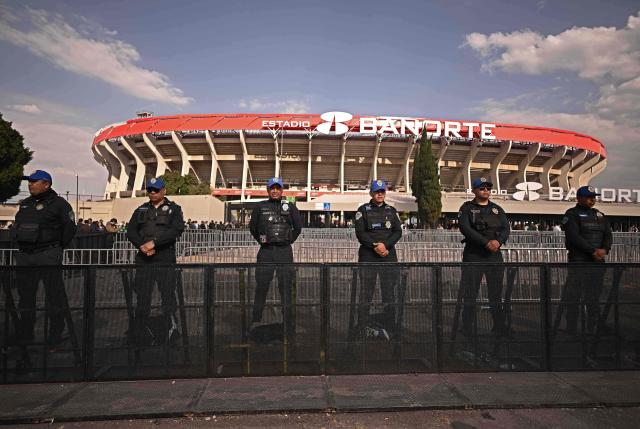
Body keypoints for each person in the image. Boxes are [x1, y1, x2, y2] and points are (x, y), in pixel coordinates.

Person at [13, 170, 76, 348]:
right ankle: (25, 335)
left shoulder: (60, 205)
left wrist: (55, 247)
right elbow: (17, 226)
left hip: (48, 255)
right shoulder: (25, 204)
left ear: (46, 184)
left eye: (35, 181)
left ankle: (54, 336)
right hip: (26, 256)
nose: (30, 184)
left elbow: (69, 229)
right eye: (29, 181)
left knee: (54, 298)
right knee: (25, 298)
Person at [126, 177, 185, 345]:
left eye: (156, 190)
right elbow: (131, 231)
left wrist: (155, 243)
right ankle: (141, 331)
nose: (152, 193)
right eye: (150, 190)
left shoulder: (174, 209)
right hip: (144, 259)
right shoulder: (141, 209)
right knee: (143, 296)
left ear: (164, 191)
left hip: (164, 257)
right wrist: (142, 245)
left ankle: (171, 329)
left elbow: (176, 230)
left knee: (167, 294)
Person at [248, 177, 302, 339]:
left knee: (286, 289)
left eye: (278, 188)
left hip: (284, 252)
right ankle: (256, 320)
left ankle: (288, 324)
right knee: (261, 287)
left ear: (282, 190)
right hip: (266, 252)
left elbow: (298, 228)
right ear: (268, 190)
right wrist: (263, 240)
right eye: (272, 188)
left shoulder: (290, 207)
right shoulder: (260, 207)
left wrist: (287, 241)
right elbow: (253, 227)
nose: (275, 191)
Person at [458, 177, 510, 337]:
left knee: (495, 293)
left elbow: (506, 228)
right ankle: (467, 327)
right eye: (481, 188)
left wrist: (498, 242)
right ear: (474, 190)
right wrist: (485, 242)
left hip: (494, 256)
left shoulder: (497, 209)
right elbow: (465, 228)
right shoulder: (466, 208)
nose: (485, 191)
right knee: (470, 293)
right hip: (474, 255)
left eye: (488, 188)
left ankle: (499, 326)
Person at [354, 179, 403, 340]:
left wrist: (385, 246)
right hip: (368, 256)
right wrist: (375, 245)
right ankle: (362, 325)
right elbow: (360, 233)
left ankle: (390, 324)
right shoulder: (363, 210)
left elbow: (397, 232)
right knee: (366, 292)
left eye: (382, 191)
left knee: (389, 292)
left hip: (388, 256)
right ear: (371, 193)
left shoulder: (392, 210)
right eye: (377, 191)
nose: (380, 194)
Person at [561, 185, 612, 335]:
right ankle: (571, 327)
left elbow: (608, 234)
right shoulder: (571, 214)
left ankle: (594, 325)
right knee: (574, 295)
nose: (592, 200)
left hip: (597, 262)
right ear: (579, 198)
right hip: (579, 261)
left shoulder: (599, 215)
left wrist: (604, 249)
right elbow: (574, 237)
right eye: (589, 197)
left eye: (594, 197)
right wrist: (592, 251)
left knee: (594, 295)